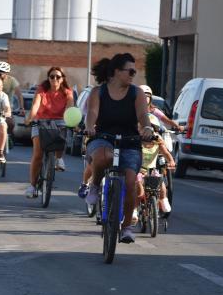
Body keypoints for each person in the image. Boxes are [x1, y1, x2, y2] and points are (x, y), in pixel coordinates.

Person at [84, 53, 154, 243]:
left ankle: (127, 228)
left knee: (130, 181)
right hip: (102, 137)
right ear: (116, 71)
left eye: (135, 71)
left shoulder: (136, 92)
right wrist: (90, 126)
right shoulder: (98, 92)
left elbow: (142, 115)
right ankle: (95, 186)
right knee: (102, 156)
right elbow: (92, 112)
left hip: (130, 141)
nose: (133, 74)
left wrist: (147, 128)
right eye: (130, 71)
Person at [24, 67, 74, 198]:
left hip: (59, 121)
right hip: (41, 121)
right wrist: (30, 119)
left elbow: (70, 108)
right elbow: (35, 105)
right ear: (48, 78)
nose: (55, 79)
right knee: (38, 154)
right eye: (52, 76)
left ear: (63, 78)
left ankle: (58, 158)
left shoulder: (68, 92)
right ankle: (32, 186)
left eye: (58, 77)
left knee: (63, 133)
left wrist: (71, 121)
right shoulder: (42, 89)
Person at [133, 114, 176, 221]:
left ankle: (163, 200)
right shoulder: (135, 140)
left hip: (151, 170)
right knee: (138, 190)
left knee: (160, 184)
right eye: (142, 128)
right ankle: (133, 210)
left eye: (150, 128)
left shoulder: (158, 140)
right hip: (138, 170)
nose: (145, 131)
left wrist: (171, 161)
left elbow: (166, 153)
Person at [0, 61, 25, 136]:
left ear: (6, 74)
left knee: (11, 123)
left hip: (6, 107)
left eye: (0, 74)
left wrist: (21, 108)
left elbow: (19, 95)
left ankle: (8, 137)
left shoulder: (12, 81)